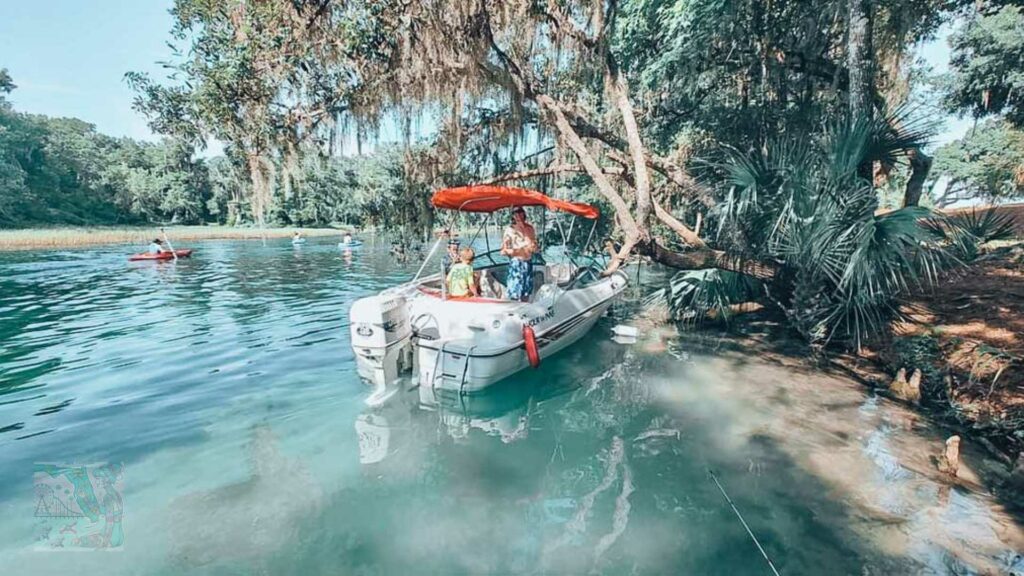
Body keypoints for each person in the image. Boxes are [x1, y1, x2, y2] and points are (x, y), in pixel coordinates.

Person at [501, 207, 537, 301]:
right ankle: (513, 311)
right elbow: (503, 251)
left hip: (528, 262)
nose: (518, 216)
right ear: (513, 216)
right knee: (514, 291)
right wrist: (516, 251)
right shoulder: (510, 230)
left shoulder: (530, 228)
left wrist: (535, 248)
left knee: (526, 290)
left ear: (524, 214)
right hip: (517, 263)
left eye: (520, 213)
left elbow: (534, 245)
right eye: (515, 214)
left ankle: (525, 310)